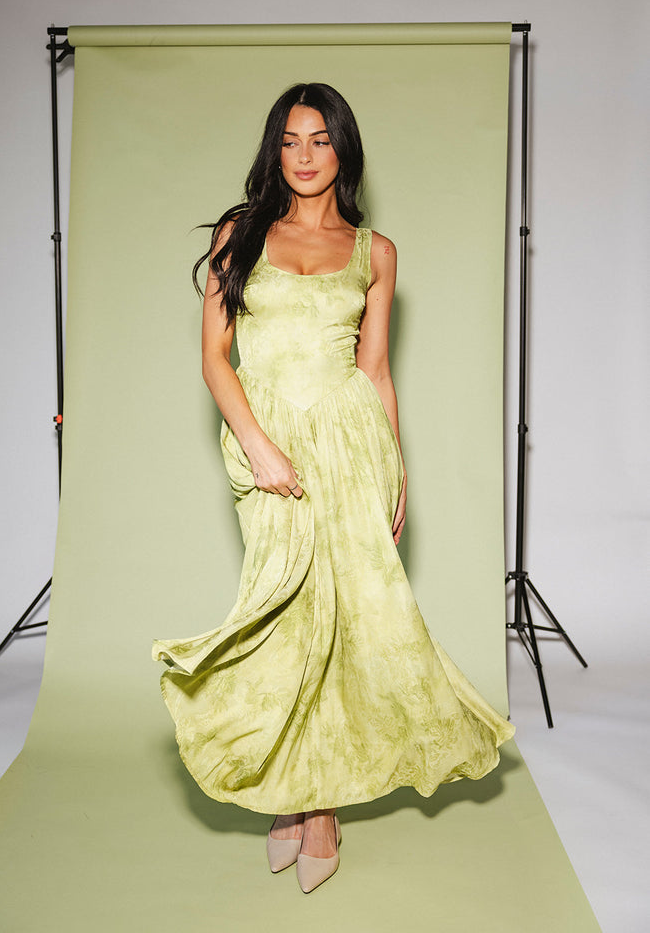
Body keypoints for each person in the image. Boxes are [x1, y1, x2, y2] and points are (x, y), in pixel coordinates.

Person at [152, 82, 515, 894]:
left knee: (346, 620)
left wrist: (397, 466)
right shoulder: (240, 233)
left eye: (320, 139)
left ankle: (315, 806)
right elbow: (215, 356)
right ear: (273, 150)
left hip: (352, 444)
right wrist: (258, 445)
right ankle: (290, 783)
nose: (305, 155)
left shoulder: (373, 251)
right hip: (268, 442)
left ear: (343, 149)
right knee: (283, 618)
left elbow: (374, 368)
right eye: (290, 140)